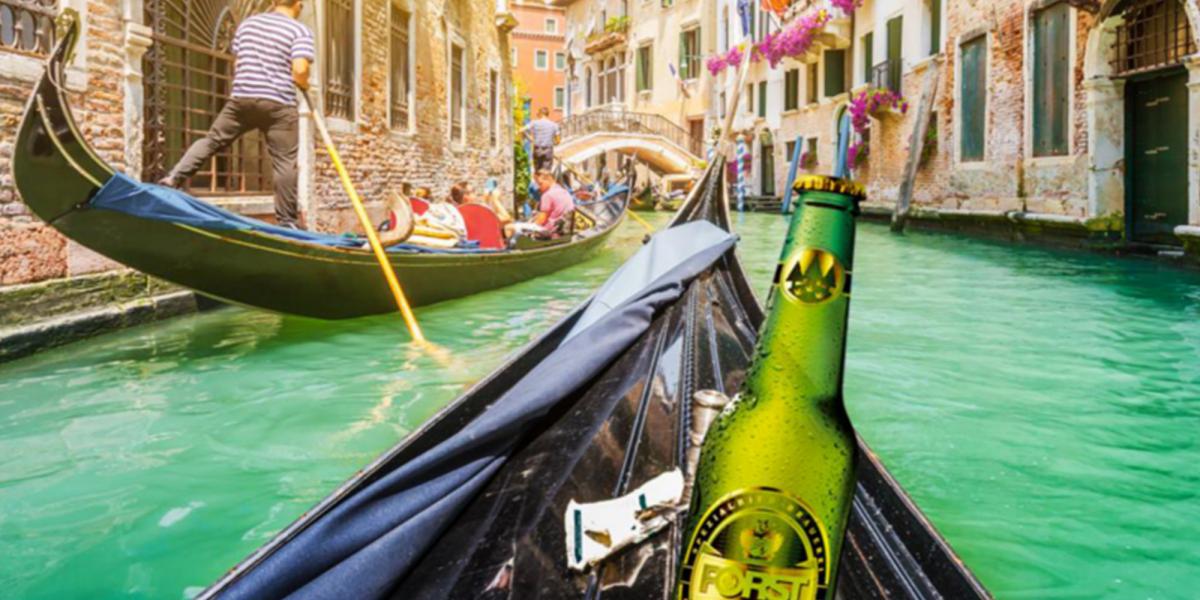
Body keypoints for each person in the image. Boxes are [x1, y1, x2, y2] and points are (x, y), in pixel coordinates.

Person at [157, 0, 315, 229]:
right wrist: (304, 83)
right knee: (285, 162)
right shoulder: (299, 30)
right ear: (298, 4)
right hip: (279, 105)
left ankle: (173, 178)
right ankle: (287, 222)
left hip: (242, 98)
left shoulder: (248, 24)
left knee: (212, 141)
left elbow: (238, 62)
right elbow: (300, 70)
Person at [509, 170, 575, 239]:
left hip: (549, 231)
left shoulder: (547, 195)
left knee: (513, 227)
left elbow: (542, 219)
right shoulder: (563, 191)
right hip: (562, 229)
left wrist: (529, 225)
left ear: (548, 180)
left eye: (540, 184)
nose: (538, 187)